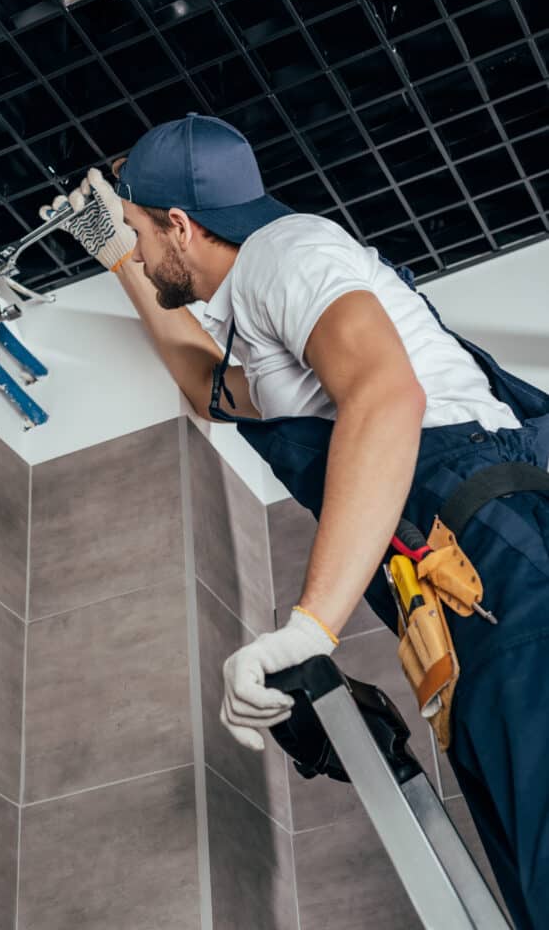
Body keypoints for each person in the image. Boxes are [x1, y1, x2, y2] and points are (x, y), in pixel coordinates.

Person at [40, 113, 549, 929]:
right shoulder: (259, 308)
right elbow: (205, 386)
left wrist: (313, 625)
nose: (133, 248)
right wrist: (114, 257)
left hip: (515, 577)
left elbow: (386, 396)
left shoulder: (291, 254)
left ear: (179, 222)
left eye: (135, 231)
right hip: (469, 621)